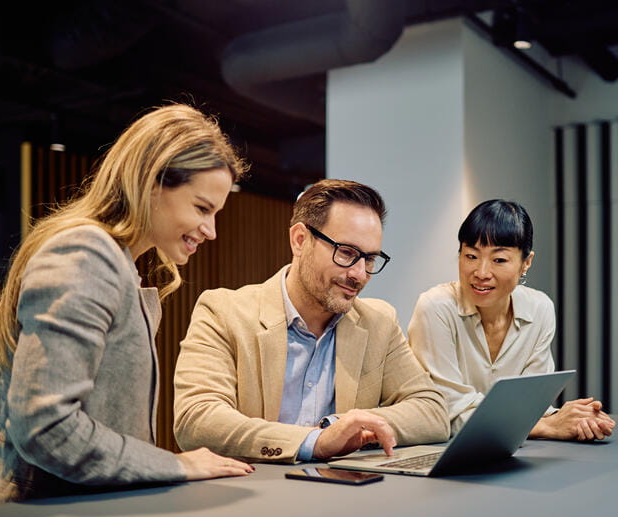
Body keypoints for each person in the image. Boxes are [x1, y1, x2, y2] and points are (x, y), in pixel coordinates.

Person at [0, 104, 255, 514]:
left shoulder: (115, 262)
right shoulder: (86, 253)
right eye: (202, 209)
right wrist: (174, 464)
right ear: (152, 183)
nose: (210, 231)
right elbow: (45, 428)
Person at [173, 179, 449, 463]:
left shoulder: (378, 322)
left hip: (344, 497)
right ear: (300, 240)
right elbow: (196, 420)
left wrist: (341, 426)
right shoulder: (223, 311)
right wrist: (314, 442)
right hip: (252, 492)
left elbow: (432, 412)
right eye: (347, 253)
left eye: (369, 259)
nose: (359, 274)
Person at [408, 199, 616, 440]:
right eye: (471, 256)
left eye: (499, 260)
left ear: (526, 263)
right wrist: (548, 426)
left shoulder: (540, 308)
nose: (481, 273)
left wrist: (575, 418)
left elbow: (531, 405)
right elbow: (445, 411)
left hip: (514, 450)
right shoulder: (435, 307)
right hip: (441, 452)